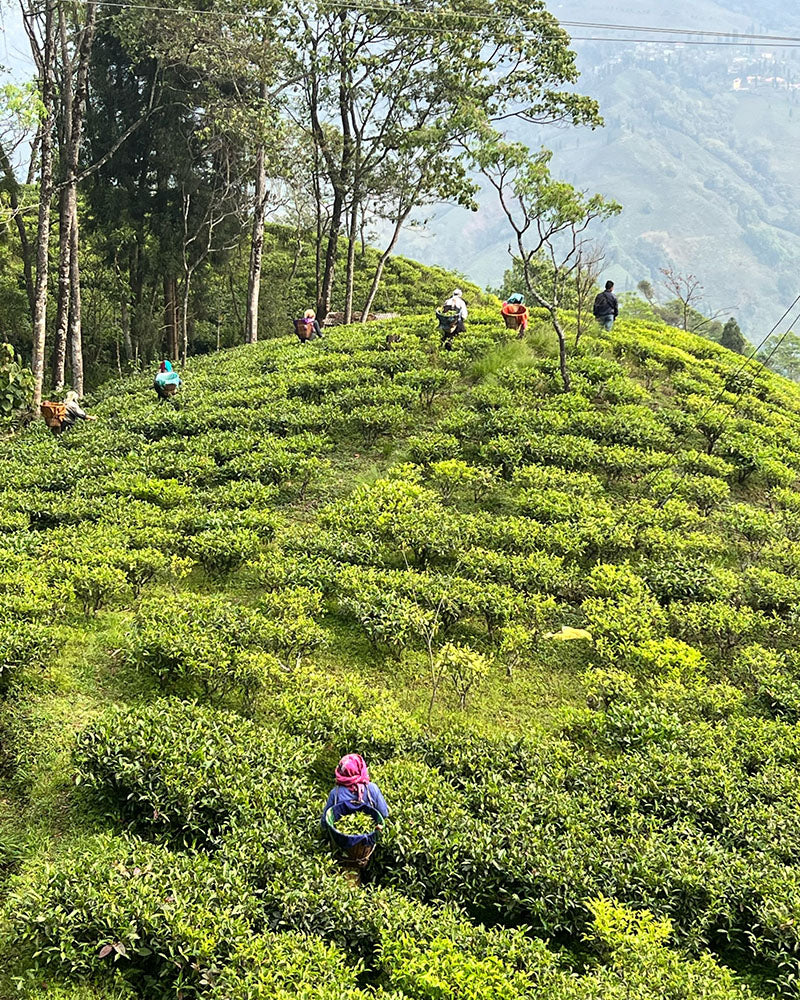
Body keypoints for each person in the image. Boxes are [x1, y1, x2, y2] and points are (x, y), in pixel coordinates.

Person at [321, 753, 388, 876]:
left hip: (342, 848)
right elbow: (384, 814)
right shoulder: (371, 789)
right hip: (366, 847)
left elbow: (325, 823)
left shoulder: (335, 793)